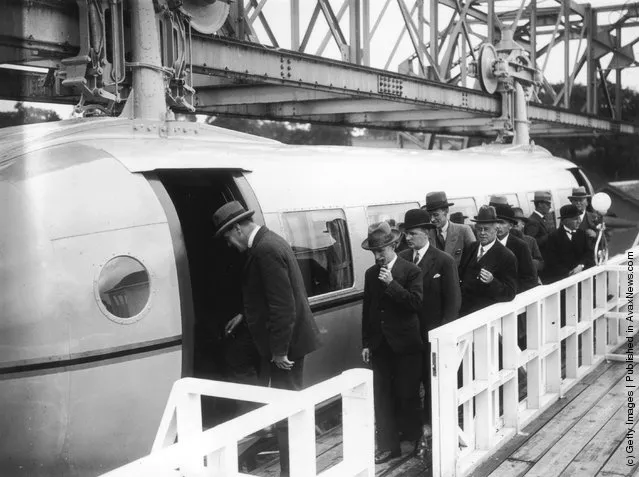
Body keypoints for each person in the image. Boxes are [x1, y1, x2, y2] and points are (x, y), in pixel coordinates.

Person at [212, 201, 322, 477]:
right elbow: (267, 295)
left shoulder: (264, 250)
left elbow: (282, 306)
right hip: (290, 338)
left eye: (228, 237)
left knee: (288, 410)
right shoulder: (269, 241)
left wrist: (279, 351)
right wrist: (244, 316)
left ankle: (292, 471)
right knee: (288, 405)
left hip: (289, 344)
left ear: (236, 229)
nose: (230, 244)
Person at [361, 222, 424, 465]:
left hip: (407, 346)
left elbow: (415, 304)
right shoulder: (370, 274)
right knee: (382, 396)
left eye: (382, 252)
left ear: (393, 246)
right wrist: (366, 342)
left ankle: (415, 437)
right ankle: (388, 447)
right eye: (375, 252)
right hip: (381, 346)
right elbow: (368, 310)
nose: (378, 257)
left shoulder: (411, 271)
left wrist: (392, 285)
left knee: (407, 395)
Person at [398, 209, 460, 444]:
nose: (408, 238)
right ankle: (411, 428)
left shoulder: (444, 261)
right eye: (406, 234)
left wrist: (444, 335)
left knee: (432, 381)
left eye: (413, 233)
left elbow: (453, 302)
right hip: (407, 335)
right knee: (408, 382)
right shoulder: (402, 257)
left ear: (426, 233)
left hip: (432, 334)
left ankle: (432, 423)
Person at [458, 206, 518, 316]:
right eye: (479, 229)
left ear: (496, 230)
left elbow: (510, 293)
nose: (482, 233)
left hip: (487, 314)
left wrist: (492, 281)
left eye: (486, 229)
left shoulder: (506, 256)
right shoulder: (471, 248)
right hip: (465, 311)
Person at [541, 204, 595, 283]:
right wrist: (568, 273)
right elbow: (551, 260)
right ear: (564, 221)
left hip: (582, 276)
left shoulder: (582, 234)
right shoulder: (553, 237)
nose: (579, 221)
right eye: (575, 219)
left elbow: (588, 253)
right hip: (563, 280)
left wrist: (581, 265)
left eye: (579, 218)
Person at [424, 191, 476, 266]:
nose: (432, 219)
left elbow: (474, 259)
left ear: (446, 211)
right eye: (430, 215)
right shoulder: (427, 234)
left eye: (436, 215)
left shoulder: (464, 231)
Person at [495, 205, 538, 293]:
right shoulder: (487, 244)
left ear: (510, 226)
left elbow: (529, 278)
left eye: (502, 223)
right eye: (495, 222)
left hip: (514, 295)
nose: (498, 226)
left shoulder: (520, 246)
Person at [511, 207, 544, 278]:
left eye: (516, 222)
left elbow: (541, 264)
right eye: (510, 222)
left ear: (523, 224)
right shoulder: (502, 241)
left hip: (529, 279)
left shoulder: (530, 240)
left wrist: (527, 262)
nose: (513, 225)